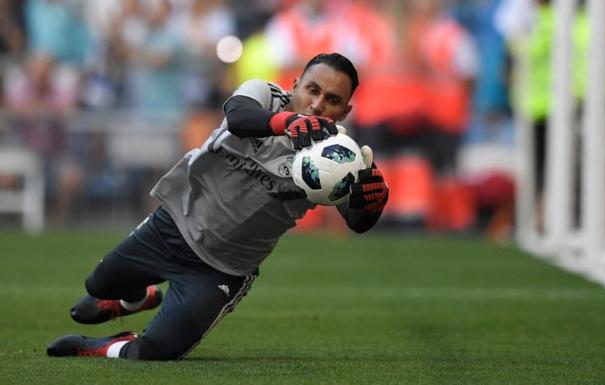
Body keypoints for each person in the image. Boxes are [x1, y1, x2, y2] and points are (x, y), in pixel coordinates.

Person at [46, 53, 389, 361]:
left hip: (220, 271)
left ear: (345, 111)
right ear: (295, 84)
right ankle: (134, 299)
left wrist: (370, 203)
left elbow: (357, 220)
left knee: (154, 352)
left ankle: (95, 346)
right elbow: (239, 117)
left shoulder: (338, 157)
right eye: (312, 90)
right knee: (98, 285)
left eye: (332, 100)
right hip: (173, 225)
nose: (316, 104)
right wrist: (287, 123)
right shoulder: (264, 95)